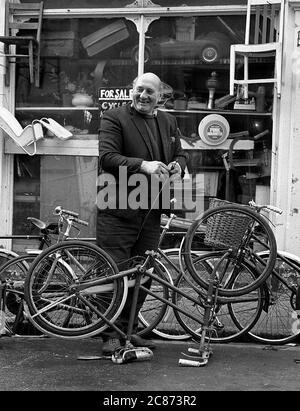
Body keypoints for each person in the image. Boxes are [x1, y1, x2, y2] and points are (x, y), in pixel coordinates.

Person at [96, 72, 188, 355]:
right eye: (139, 90)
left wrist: (177, 167)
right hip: (118, 209)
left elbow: (180, 154)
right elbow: (107, 158)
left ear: (160, 96)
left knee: (143, 274)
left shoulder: (168, 120)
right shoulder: (114, 118)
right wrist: (143, 165)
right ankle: (110, 334)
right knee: (114, 274)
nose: (143, 96)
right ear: (131, 90)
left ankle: (130, 330)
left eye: (150, 92)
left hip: (151, 210)